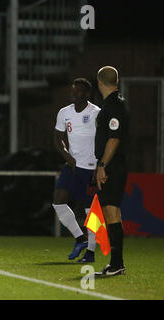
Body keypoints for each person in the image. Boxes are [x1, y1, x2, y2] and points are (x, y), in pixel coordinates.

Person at [52, 78, 100, 263]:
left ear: (86, 94)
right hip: (72, 166)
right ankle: (80, 239)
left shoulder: (96, 113)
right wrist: (67, 156)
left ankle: (91, 252)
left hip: (91, 169)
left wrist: (100, 166)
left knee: (91, 212)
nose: (73, 94)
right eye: (72, 90)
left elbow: (104, 140)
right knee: (58, 202)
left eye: (77, 91)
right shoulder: (64, 113)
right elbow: (57, 138)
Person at [94, 66, 129, 276]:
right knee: (113, 211)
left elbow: (114, 138)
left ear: (100, 82)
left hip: (112, 166)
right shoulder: (119, 102)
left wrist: (102, 165)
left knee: (111, 212)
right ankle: (117, 263)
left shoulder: (112, 105)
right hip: (116, 165)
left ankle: (117, 264)